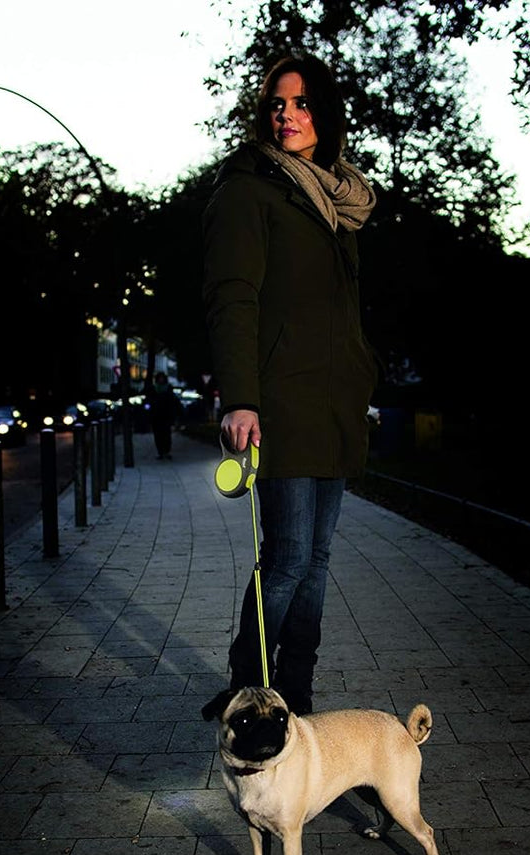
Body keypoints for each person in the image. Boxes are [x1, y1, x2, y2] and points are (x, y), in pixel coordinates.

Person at [201, 53, 378, 715]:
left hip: (334, 403)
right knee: (287, 556)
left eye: (301, 103)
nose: (287, 115)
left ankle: (296, 697)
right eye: (277, 103)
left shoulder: (334, 198)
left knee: (317, 558)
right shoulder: (248, 189)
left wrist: (362, 372)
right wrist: (240, 397)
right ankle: (248, 688)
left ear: (324, 112)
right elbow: (232, 295)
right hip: (280, 399)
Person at [148, 371, 180, 459]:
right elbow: (150, 402)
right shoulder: (154, 389)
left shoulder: (168, 388)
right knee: (158, 435)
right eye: (160, 378)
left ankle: (166, 451)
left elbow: (172, 402)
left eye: (162, 378)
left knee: (166, 434)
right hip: (156, 416)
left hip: (166, 415)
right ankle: (161, 452)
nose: (161, 380)